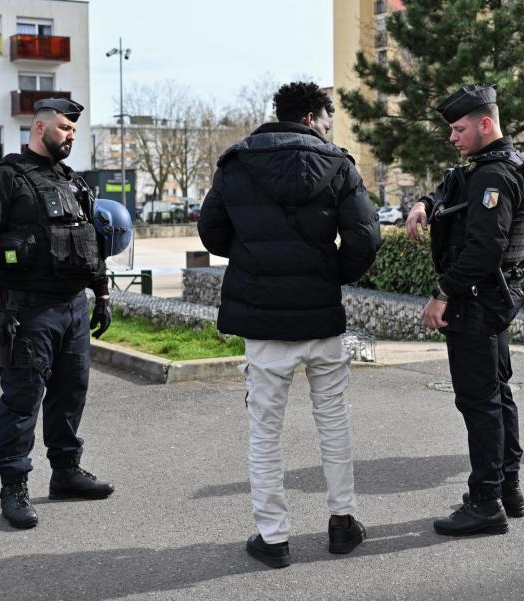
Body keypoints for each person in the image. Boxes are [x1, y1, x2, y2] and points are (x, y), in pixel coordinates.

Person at [198, 82, 381, 568]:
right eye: (326, 118)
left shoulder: (236, 163)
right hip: (321, 318)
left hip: (264, 324)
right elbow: (365, 238)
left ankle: (273, 537)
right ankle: (342, 525)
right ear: (309, 117)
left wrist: (256, 254)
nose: (328, 127)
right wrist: (330, 273)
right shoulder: (338, 164)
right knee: (334, 422)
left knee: (265, 431)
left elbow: (212, 233)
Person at [0, 98, 116, 529]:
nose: (71, 135)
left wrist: (101, 295)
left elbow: (91, 242)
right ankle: (13, 486)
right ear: (39, 127)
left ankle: (66, 472)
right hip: (28, 311)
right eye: (66, 128)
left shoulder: (73, 182)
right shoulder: (5, 180)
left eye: (73, 130)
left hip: (72, 307)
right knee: (22, 398)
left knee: (72, 392)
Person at [405, 83, 524, 537]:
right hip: (496, 299)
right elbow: (452, 184)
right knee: (497, 394)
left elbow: (483, 250)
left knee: (479, 402)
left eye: (460, 128)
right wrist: (423, 203)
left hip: (477, 301)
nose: (452, 136)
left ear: (486, 124)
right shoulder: (498, 164)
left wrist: (441, 293)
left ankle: (486, 503)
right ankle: (507, 488)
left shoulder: (493, 176)